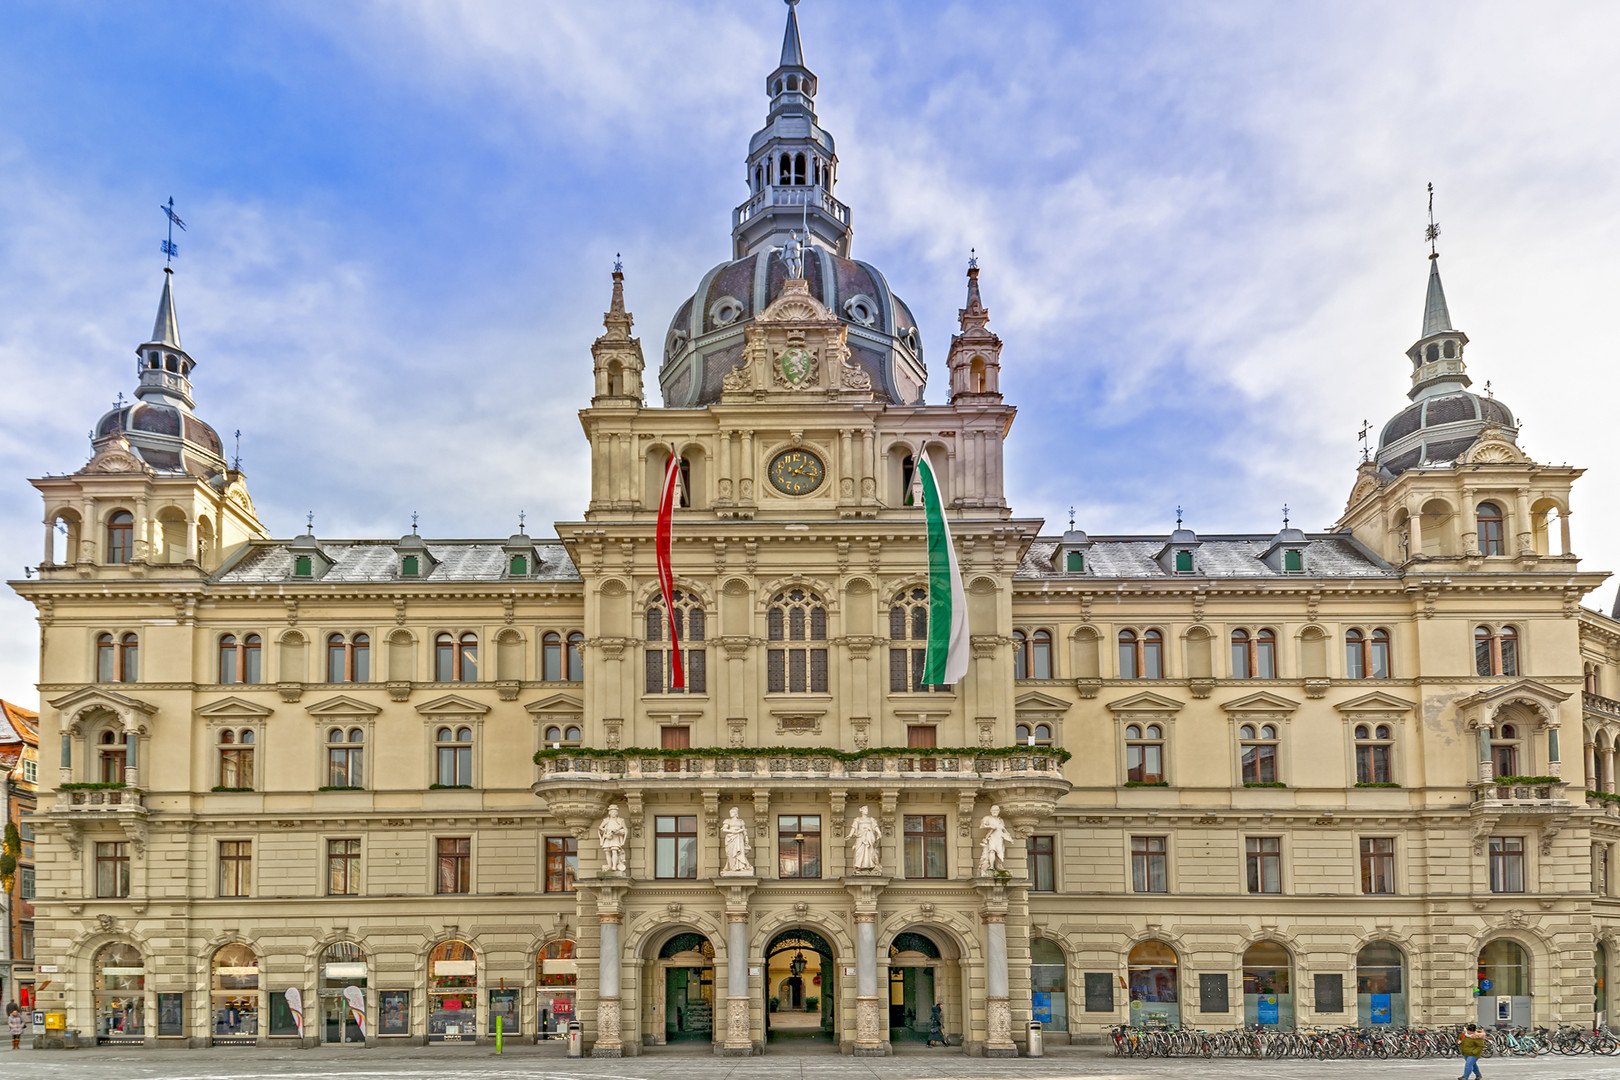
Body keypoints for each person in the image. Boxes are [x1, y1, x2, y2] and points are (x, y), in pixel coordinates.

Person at [977, 804, 1012, 874]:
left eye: (996, 810)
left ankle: (998, 865)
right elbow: (982, 826)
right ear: (990, 811)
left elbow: (1003, 829)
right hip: (992, 837)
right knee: (992, 850)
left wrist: (1008, 836)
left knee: (1000, 852)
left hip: (999, 837)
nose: (994, 812)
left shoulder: (1000, 820)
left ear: (998, 811)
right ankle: (991, 866)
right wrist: (990, 826)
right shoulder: (987, 818)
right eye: (993, 810)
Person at [847, 806, 882, 873]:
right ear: (861, 810)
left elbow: (875, 826)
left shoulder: (871, 819)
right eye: (865, 809)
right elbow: (854, 827)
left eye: (867, 809)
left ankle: (870, 866)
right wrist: (850, 835)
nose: (867, 810)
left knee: (869, 851)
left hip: (869, 837)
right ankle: (858, 867)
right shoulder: (857, 819)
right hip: (860, 837)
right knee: (859, 852)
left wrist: (879, 833)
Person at [720, 807, 753, 874]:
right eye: (730, 812)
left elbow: (744, 830)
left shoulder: (741, 821)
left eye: (732, 812)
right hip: (730, 838)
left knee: (740, 852)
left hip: (739, 837)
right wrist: (733, 831)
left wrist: (746, 838)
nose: (730, 814)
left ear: (735, 813)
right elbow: (724, 829)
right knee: (731, 853)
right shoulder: (728, 821)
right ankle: (733, 868)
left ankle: (740, 866)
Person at [598, 805, 628, 873]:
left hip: (615, 837)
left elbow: (625, 830)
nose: (614, 813)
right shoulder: (606, 820)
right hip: (608, 837)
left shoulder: (620, 820)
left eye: (615, 812)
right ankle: (609, 865)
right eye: (612, 812)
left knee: (614, 851)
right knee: (607, 852)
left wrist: (618, 832)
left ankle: (614, 866)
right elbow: (600, 827)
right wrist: (605, 830)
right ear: (610, 813)